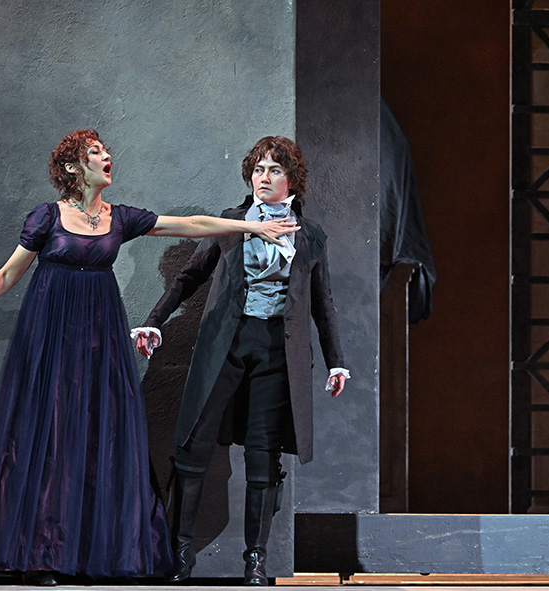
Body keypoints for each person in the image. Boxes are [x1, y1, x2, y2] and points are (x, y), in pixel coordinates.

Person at [0, 129, 298, 586]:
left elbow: (191, 225)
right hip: (50, 340)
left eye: (106, 150)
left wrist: (251, 226)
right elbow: (8, 273)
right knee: (50, 437)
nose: (106, 156)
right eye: (95, 153)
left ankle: (89, 551)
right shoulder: (47, 217)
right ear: (73, 167)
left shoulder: (120, 218)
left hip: (100, 341)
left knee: (98, 437)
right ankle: (42, 553)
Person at [132, 136, 349, 586]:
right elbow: (189, 277)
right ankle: (180, 553)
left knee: (263, 454)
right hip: (226, 343)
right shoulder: (232, 222)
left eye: (274, 170)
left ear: (292, 180)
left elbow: (322, 302)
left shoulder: (310, 236)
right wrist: (154, 321)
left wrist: (336, 362)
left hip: (276, 350)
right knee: (193, 446)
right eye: (257, 170)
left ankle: (256, 561)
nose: (263, 178)